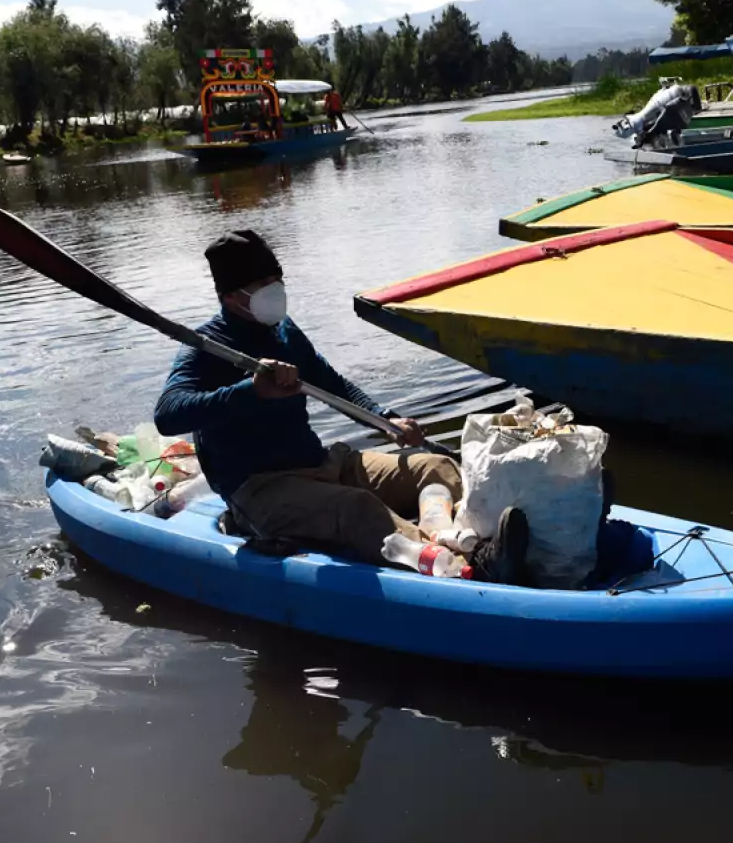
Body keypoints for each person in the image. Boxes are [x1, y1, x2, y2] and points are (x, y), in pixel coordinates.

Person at [154, 230, 527, 583]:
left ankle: (448, 535)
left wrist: (385, 419)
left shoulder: (283, 331)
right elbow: (168, 414)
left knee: (435, 467)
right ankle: (470, 568)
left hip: (320, 462)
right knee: (357, 508)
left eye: (276, 278)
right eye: (262, 283)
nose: (275, 289)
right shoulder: (206, 347)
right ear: (231, 297)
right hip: (261, 490)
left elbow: (333, 384)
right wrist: (250, 391)